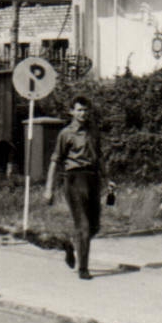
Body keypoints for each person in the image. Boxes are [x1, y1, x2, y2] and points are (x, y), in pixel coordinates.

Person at [44, 96, 112, 280]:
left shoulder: (93, 131)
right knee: (83, 225)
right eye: (79, 110)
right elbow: (55, 161)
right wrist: (48, 188)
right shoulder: (66, 134)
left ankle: (71, 247)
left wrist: (108, 179)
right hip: (74, 179)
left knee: (95, 226)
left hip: (93, 179)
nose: (83, 113)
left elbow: (100, 158)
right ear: (72, 112)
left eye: (86, 110)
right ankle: (83, 269)